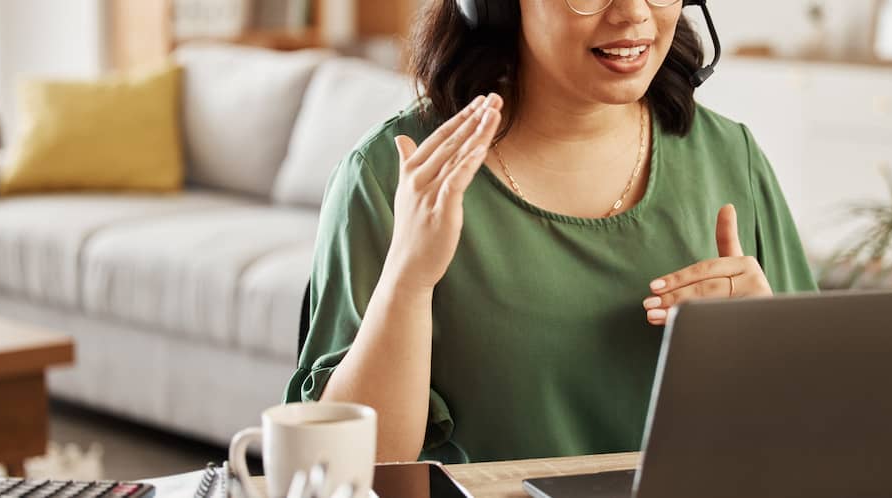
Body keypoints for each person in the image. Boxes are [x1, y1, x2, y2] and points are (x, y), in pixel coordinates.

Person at [285, 0, 817, 464]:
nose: (633, 14)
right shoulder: (396, 175)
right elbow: (348, 466)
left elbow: (818, 428)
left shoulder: (733, 159)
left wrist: (762, 346)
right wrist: (409, 280)